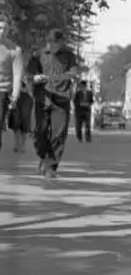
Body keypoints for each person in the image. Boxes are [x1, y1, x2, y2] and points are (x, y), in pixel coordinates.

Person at [28, 29, 78, 178]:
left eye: (56, 43)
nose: (52, 45)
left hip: (61, 99)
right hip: (43, 98)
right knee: (38, 133)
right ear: (47, 41)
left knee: (58, 135)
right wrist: (35, 77)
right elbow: (29, 73)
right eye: (50, 42)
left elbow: (73, 73)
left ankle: (51, 167)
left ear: (61, 42)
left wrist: (53, 78)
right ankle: (44, 157)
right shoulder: (38, 54)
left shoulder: (69, 56)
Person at [0, 12, 24, 152]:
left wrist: (14, 96)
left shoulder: (14, 50)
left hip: (2, 91)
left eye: (4, 28)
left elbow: (17, 74)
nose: (1, 31)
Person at [8, 80, 33, 153]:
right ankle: (16, 144)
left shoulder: (29, 75)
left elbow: (30, 88)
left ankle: (22, 145)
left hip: (26, 100)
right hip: (16, 99)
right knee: (15, 123)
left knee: (24, 124)